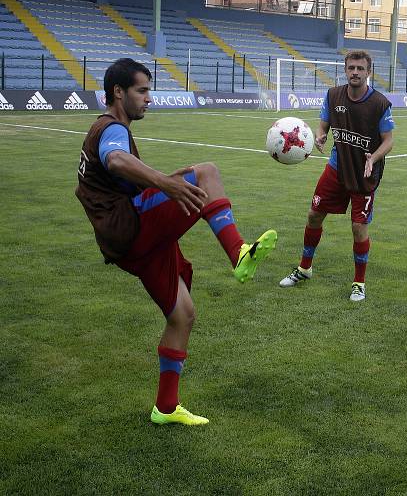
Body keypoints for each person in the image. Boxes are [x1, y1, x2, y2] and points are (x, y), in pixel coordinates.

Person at [75, 58, 277, 426]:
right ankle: (238, 253)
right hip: (130, 228)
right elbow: (116, 160)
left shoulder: (110, 127)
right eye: (142, 90)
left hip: (129, 243)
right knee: (206, 173)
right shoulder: (110, 128)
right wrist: (165, 183)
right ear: (118, 92)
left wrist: (163, 182)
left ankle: (165, 408)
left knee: (182, 315)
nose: (149, 98)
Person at [278, 50, 395, 302]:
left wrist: (373, 158)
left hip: (364, 173)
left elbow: (389, 141)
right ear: (345, 70)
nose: (355, 72)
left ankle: (359, 283)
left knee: (358, 228)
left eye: (360, 69)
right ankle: (304, 268)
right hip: (336, 166)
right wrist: (320, 134)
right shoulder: (333, 95)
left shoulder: (380, 104)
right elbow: (324, 123)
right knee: (314, 214)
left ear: (368, 72)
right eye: (351, 67)